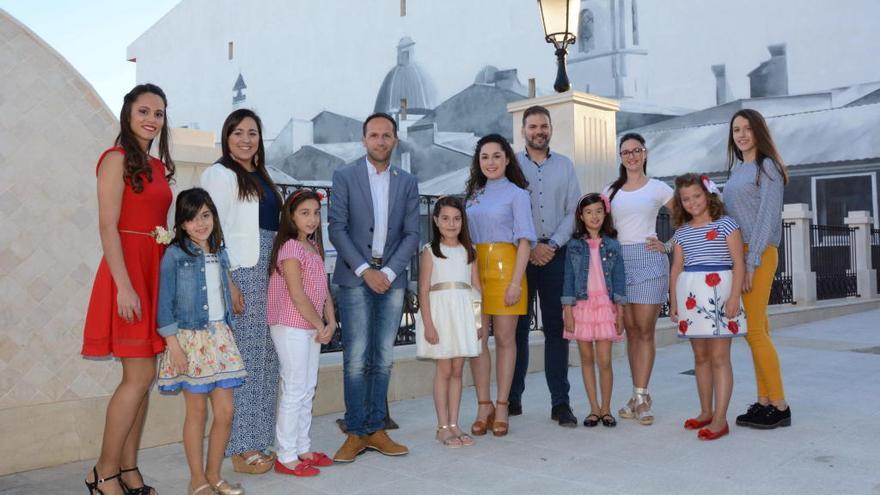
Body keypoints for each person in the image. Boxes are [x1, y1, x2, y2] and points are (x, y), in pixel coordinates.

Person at [81, 83, 174, 495]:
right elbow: (107, 226)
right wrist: (124, 286)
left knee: (144, 375)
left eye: (158, 112)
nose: (152, 119)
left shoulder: (156, 168)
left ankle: (128, 468)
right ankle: (103, 473)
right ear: (128, 114)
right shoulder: (114, 159)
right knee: (137, 376)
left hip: (154, 272)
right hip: (127, 275)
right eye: (144, 111)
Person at [328, 112, 420, 462]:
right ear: (364, 140)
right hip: (355, 278)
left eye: (386, 135)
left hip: (392, 280)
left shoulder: (407, 182)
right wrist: (366, 270)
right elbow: (337, 227)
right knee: (355, 358)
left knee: (382, 358)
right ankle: (355, 431)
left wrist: (391, 273)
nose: (380, 141)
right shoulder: (345, 176)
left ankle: (376, 429)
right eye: (374, 135)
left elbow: (413, 233)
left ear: (395, 140)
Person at [201, 109, 282, 474]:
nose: (246, 139)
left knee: (268, 358)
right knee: (246, 360)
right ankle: (240, 447)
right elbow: (211, 230)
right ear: (226, 136)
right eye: (238, 132)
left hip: (270, 269)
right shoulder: (218, 174)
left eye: (252, 133)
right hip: (243, 272)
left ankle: (262, 438)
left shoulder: (261, 175)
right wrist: (228, 280)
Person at [156, 188, 248, 495]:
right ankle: (196, 479)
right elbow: (164, 302)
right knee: (196, 412)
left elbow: (221, 282)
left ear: (213, 217)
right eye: (192, 218)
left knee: (225, 413)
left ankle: (214, 475)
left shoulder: (219, 252)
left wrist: (233, 288)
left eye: (205, 215)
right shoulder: (175, 255)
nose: (200, 224)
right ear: (181, 224)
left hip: (220, 337)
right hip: (189, 341)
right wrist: (173, 345)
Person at [512, 106, 582, 426]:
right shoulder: (510, 165)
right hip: (520, 256)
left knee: (557, 330)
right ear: (523, 130)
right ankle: (512, 399)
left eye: (544, 126)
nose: (539, 131)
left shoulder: (566, 166)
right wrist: (529, 248)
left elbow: (573, 211)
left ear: (550, 130)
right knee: (517, 330)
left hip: (556, 255)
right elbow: (506, 210)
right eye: (533, 126)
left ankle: (560, 403)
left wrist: (551, 245)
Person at [722, 109, 792, 429]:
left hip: (759, 255)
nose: (741, 134)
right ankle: (764, 400)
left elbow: (766, 219)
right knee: (759, 330)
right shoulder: (738, 171)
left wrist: (751, 264)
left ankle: (779, 405)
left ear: (759, 132)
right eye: (736, 130)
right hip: (743, 256)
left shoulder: (768, 168)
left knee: (754, 333)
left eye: (748, 128)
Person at [465, 134, 537, 438]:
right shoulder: (473, 196)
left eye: (496, 156)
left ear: (507, 159)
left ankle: (503, 405)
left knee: (506, 340)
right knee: (478, 341)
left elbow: (524, 240)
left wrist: (516, 282)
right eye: (484, 157)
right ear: (478, 162)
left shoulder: (518, 194)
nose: (490, 162)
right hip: (475, 270)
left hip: (507, 268)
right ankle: (484, 406)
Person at [669, 174, 748, 440]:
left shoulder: (726, 225)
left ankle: (720, 419)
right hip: (692, 298)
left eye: (697, 196)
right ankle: (705, 411)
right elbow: (677, 268)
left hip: (720, 295)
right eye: (686, 199)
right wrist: (675, 301)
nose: (692, 202)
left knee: (719, 358)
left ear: (708, 195)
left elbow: (738, 262)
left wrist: (734, 296)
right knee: (700, 357)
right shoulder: (681, 232)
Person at [605, 132, 674, 426]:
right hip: (619, 261)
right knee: (630, 332)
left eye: (637, 150)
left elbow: (688, 215)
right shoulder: (610, 191)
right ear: (620, 157)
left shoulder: (658, 188)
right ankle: (636, 394)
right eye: (626, 152)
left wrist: (668, 245)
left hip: (648, 259)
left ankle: (643, 397)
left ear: (645, 154)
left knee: (645, 330)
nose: (632, 156)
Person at [267, 189, 336, 476]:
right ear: (291, 216)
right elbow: (297, 294)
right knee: (294, 388)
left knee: (308, 387)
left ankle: (303, 447)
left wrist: (331, 322)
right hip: (291, 324)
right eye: (305, 213)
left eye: (316, 213)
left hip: (312, 325)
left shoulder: (314, 248)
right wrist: (320, 325)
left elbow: (323, 291)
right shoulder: (290, 248)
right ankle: (285, 455)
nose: (312, 219)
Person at [416, 197, 481, 448]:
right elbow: (423, 290)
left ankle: (455, 423)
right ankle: (442, 426)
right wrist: (429, 324)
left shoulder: (469, 251)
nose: (451, 223)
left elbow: (476, 289)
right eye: (445, 218)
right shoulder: (430, 251)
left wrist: (477, 323)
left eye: (456, 218)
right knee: (444, 370)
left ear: (463, 221)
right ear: (435, 221)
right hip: (441, 317)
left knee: (457, 371)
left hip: (463, 316)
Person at [562, 193, 627, 428]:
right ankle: (593, 409)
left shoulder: (612, 244)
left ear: (605, 213)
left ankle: (607, 409)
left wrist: (620, 310)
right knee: (586, 359)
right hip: (581, 307)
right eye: (589, 212)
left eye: (599, 211)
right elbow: (568, 278)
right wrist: (567, 310)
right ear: (581, 216)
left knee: (605, 360)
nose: (594, 216)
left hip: (605, 306)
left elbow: (619, 279)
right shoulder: (574, 246)